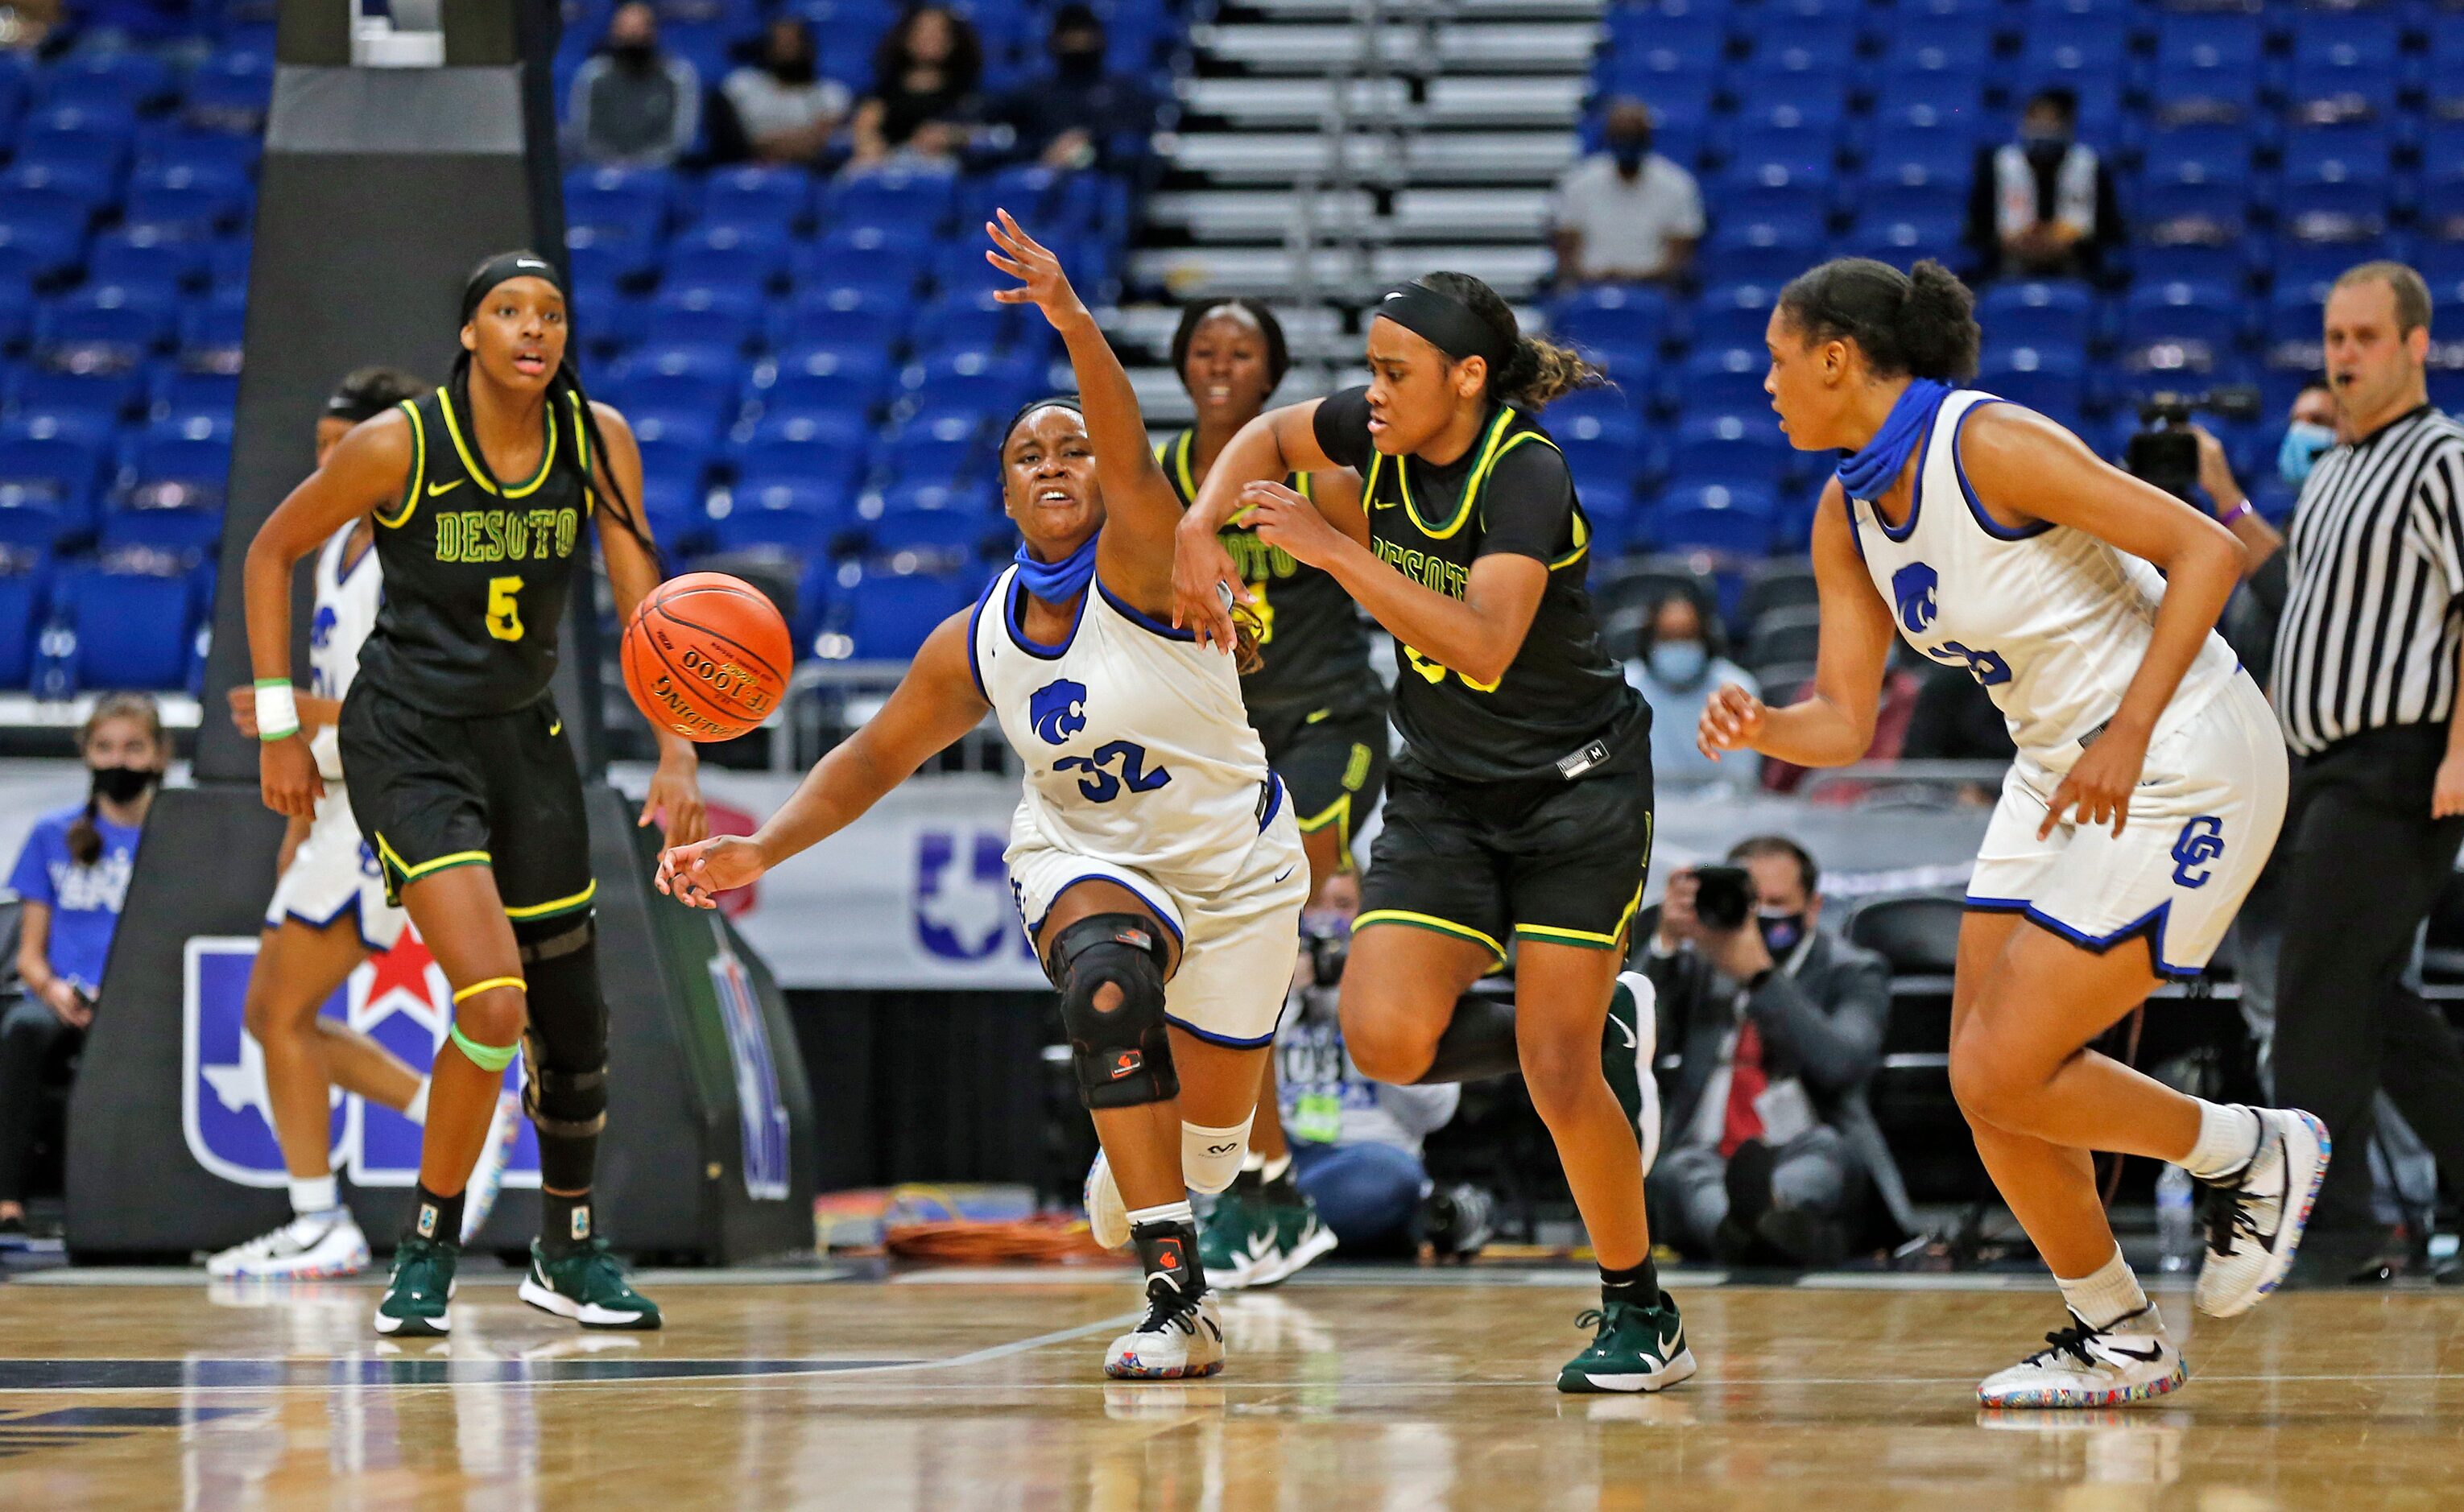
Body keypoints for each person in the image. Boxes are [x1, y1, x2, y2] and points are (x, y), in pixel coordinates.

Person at [657, 213, 1308, 1382]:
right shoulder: (976, 641)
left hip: (1240, 871)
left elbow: (1126, 442)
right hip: (1087, 853)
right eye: (1029, 456)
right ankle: (1176, 1293)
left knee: (1211, 1146)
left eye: (1073, 450)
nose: (1059, 464)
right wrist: (763, 851)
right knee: (1106, 984)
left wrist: (1072, 323)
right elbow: (867, 760)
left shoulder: (1152, 562)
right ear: (1004, 495)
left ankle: (1157, 1168)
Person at [1704, 256, 2321, 1408]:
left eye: (1782, 362)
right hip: (2056, 765)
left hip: (2181, 737)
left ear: (1838, 355)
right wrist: (1765, 722)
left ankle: (2249, 1146)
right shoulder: (1845, 509)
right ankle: (2120, 1332)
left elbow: (2209, 549)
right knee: (1984, 1079)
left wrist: (2131, 729)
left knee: (2007, 1058)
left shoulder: (1985, 444)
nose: (1769, 387)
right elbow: (1843, 717)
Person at [1173, 272, 1682, 1394]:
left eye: (1393, 372)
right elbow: (1264, 432)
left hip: (1576, 794)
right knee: (1387, 1040)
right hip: (1447, 791)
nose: (1370, 393)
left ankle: (1639, 1306)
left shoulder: (1526, 470)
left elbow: (1488, 642)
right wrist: (1201, 524)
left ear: (1466, 378)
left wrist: (1331, 546)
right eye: (1368, 369)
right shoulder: (1381, 428)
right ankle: (1596, 1030)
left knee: (1556, 1080)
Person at [242, 251, 708, 1337]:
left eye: (550, 312)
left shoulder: (598, 439)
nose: (533, 329)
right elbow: (271, 551)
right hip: (408, 740)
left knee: (574, 1022)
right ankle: (429, 1249)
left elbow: (646, 602)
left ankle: (568, 1249)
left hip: (524, 736)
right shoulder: (398, 443)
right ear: (469, 334)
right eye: (509, 311)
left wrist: (676, 748)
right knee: (493, 1000)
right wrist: (277, 727)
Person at [206, 368, 522, 1283]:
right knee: (275, 1013)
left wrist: (299, 718)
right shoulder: (338, 542)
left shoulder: (417, 557)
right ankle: (360, 1180)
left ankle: (333, 1211)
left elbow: (420, 709)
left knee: (284, 1010)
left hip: (395, 799)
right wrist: (301, 807)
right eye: (316, 451)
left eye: (339, 449)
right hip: (339, 802)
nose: (326, 465)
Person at [1156, 297, 1387, 1286]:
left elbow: (1389, 581)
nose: (1219, 362)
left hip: (1330, 723)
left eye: (1239, 351)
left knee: (1255, 936)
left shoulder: (1316, 473)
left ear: (1269, 374)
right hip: (1226, 743)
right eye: (1204, 348)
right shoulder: (1159, 479)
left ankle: (1265, 1182)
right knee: (1217, 950)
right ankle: (1267, 1183)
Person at [2267, 262, 2464, 1282]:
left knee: (2312, 993)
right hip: (2320, 768)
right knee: (2370, 999)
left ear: (2416, 345)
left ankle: (2331, 1232)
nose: (2342, 356)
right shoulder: (2336, 467)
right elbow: (2310, 600)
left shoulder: (2443, 459)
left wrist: (2463, 754)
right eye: (2334, 337)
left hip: (2399, 764)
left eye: (2364, 338)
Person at [1642, 837, 1895, 1268]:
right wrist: (1665, 944)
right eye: (1750, 901)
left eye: (1776, 902)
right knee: (1684, 1170)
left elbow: (1840, 1065)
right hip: (1707, 1152)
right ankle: (1758, 1225)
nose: (1758, 916)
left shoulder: (1853, 969)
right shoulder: (1699, 963)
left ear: (1813, 907)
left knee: (1825, 1154)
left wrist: (1761, 976)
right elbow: (1633, 1039)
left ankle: (1753, 1216)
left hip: (1808, 1144)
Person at [1207, 870, 1462, 1274]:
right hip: (1279, 1157)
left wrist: (1364, 1007)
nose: (1326, 921)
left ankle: (1262, 1227)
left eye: (1343, 906)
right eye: (1313, 905)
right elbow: (1229, 1086)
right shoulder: (1264, 972)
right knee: (1201, 1169)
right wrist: (1283, 997)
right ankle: (1279, 1224)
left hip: (1361, 1158)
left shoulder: (1401, 979)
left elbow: (1437, 1110)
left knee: (1391, 1177)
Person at [0, 695, 166, 1240]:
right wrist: (55, 992)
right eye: (106, 747)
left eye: (134, 748)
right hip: (63, 1002)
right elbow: (28, 954)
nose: (119, 761)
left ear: (160, 756)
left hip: (145, 1005)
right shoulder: (52, 834)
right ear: (87, 755)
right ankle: (8, 1198)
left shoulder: (176, 837)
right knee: (21, 1028)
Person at [1962, 88, 2123, 285]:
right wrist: (2010, 242)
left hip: (2077, 270)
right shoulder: (1998, 166)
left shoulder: (2091, 166)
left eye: (2052, 120)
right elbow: (1975, 231)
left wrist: (2070, 242)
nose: (2043, 127)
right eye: (2035, 119)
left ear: (2068, 125)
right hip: (2007, 269)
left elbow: (2112, 231)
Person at [1549, 97, 1702, 288]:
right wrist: (1593, 277)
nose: (1627, 143)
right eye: (1620, 136)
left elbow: (1680, 255)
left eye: (1634, 136)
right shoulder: (1578, 182)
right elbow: (1566, 249)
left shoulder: (1677, 184)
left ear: (1647, 138)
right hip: (1590, 287)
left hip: (1653, 289)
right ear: (1608, 138)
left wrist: (1634, 278)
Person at [985, 4, 1156, 172]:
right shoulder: (1034, 93)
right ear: (1054, 39)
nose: (1077, 39)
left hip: (1107, 180)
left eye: (1083, 31)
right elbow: (1002, 133)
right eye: (1069, 32)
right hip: (1043, 177)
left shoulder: (1124, 90)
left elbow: (1140, 133)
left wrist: (1089, 140)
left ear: (1099, 36)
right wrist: (1043, 149)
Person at [1623, 587, 1757, 790]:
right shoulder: (1625, 688)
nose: (1678, 646)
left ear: (1705, 639)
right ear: (1649, 641)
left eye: (1687, 636)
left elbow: (1741, 781)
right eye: (1668, 637)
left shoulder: (1738, 689)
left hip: (1723, 815)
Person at [565, 2, 701, 170]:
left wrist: (643, 164)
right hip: (603, 167)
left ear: (653, 32)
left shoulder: (677, 76)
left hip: (659, 170)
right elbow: (585, 135)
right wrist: (614, 163)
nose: (633, 37)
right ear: (613, 32)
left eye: (640, 30)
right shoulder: (593, 75)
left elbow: (680, 139)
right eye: (626, 31)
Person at [846, 4, 982, 171]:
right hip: (886, 165)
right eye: (922, 31)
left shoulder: (968, 93)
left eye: (940, 32)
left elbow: (986, 133)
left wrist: (951, 136)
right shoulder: (884, 92)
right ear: (906, 38)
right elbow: (866, 125)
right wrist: (867, 139)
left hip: (943, 169)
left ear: (954, 41)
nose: (931, 38)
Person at [715, 17, 850, 167]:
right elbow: (732, 140)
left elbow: (822, 143)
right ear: (768, 48)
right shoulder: (741, 86)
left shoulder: (832, 94)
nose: (787, 49)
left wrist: (766, 144)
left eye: (793, 43)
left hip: (806, 171)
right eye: (781, 43)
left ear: (809, 48)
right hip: (746, 166)